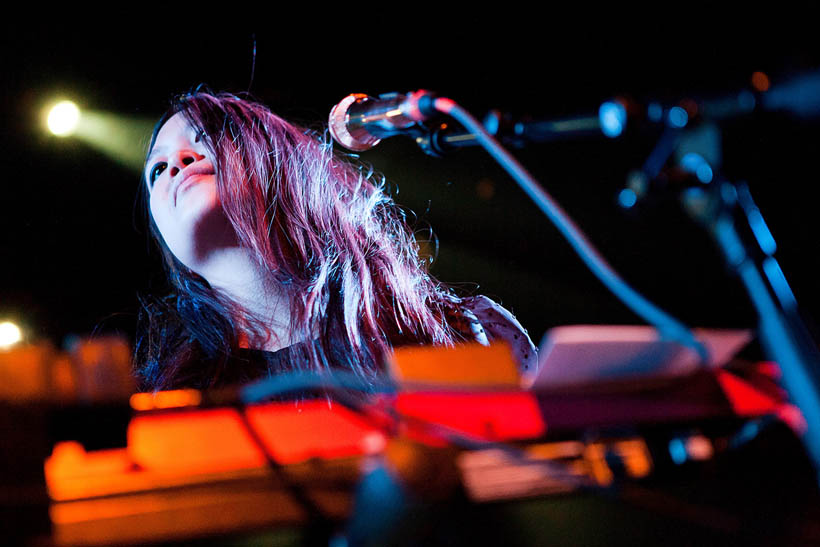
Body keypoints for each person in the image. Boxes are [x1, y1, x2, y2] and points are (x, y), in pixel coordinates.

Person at [135, 90, 536, 392]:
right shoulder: (171, 398)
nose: (175, 163)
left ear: (277, 161)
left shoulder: (460, 331)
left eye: (203, 136)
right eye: (156, 169)